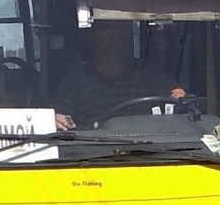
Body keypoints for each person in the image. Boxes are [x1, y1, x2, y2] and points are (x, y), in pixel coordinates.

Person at [53, 21, 184, 129]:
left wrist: (180, 96)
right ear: (92, 36)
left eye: (119, 32)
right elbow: (59, 116)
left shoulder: (146, 71)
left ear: (128, 37)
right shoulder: (75, 79)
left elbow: (176, 93)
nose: (113, 39)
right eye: (105, 32)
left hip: (149, 150)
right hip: (94, 153)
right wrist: (58, 119)